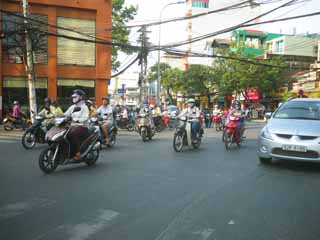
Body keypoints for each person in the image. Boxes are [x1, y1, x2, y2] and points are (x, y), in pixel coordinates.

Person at [64, 89, 89, 161]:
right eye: (73, 97)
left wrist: (77, 120)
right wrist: (57, 116)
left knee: (71, 134)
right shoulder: (72, 107)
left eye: (75, 97)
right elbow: (66, 114)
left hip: (82, 127)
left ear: (81, 97)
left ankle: (78, 153)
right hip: (73, 126)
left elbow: (85, 117)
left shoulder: (85, 107)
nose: (73, 98)